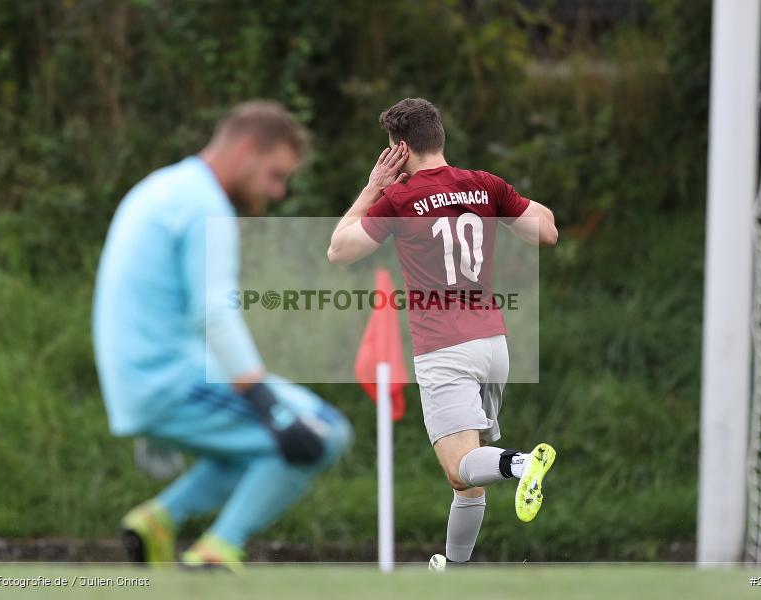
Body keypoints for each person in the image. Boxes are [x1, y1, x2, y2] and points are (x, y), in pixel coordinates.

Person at [93, 100, 352, 571]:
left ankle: (159, 520)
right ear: (246, 150)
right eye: (276, 175)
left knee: (258, 447)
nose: (278, 192)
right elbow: (212, 313)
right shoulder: (202, 205)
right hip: (168, 381)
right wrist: (266, 404)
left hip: (140, 379)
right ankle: (217, 550)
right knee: (324, 433)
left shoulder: (161, 188)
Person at [327, 98, 557, 568]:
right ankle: (455, 570)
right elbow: (548, 232)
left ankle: (520, 463)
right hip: (493, 345)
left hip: (445, 348)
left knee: (459, 468)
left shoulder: (399, 200)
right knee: (470, 480)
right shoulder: (484, 185)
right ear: (439, 137)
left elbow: (339, 250)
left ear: (399, 148)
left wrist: (372, 187)